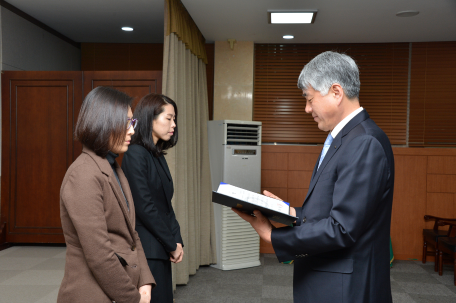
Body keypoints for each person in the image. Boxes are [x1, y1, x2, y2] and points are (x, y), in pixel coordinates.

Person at [233, 51, 395, 303]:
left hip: (346, 287)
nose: (306, 108)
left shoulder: (363, 142)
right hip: (332, 279)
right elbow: (334, 209)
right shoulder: (344, 138)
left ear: (336, 92)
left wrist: (273, 236)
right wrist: (291, 213)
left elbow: (342, 228)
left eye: (309, 99)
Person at [58, 86, 155, 303]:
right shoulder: (83, 174)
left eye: (133, 122)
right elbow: (99, 255)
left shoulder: (113, 167)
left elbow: (132, 234)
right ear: (103, 123)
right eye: (126, 123)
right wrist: (133, 298)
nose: (132, 130)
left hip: (122, 287)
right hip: (94, 293)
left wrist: (145, 282)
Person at [122, 93, 184, 303]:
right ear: (150, 118)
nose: (173, 124)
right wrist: (170, 243)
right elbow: (144, 207)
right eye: (169, 118)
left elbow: (166, 205)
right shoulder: (135, 154)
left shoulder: (155, 154)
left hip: (160, 245)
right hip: (147, 248)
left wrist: (176, 239)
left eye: (174, 119)